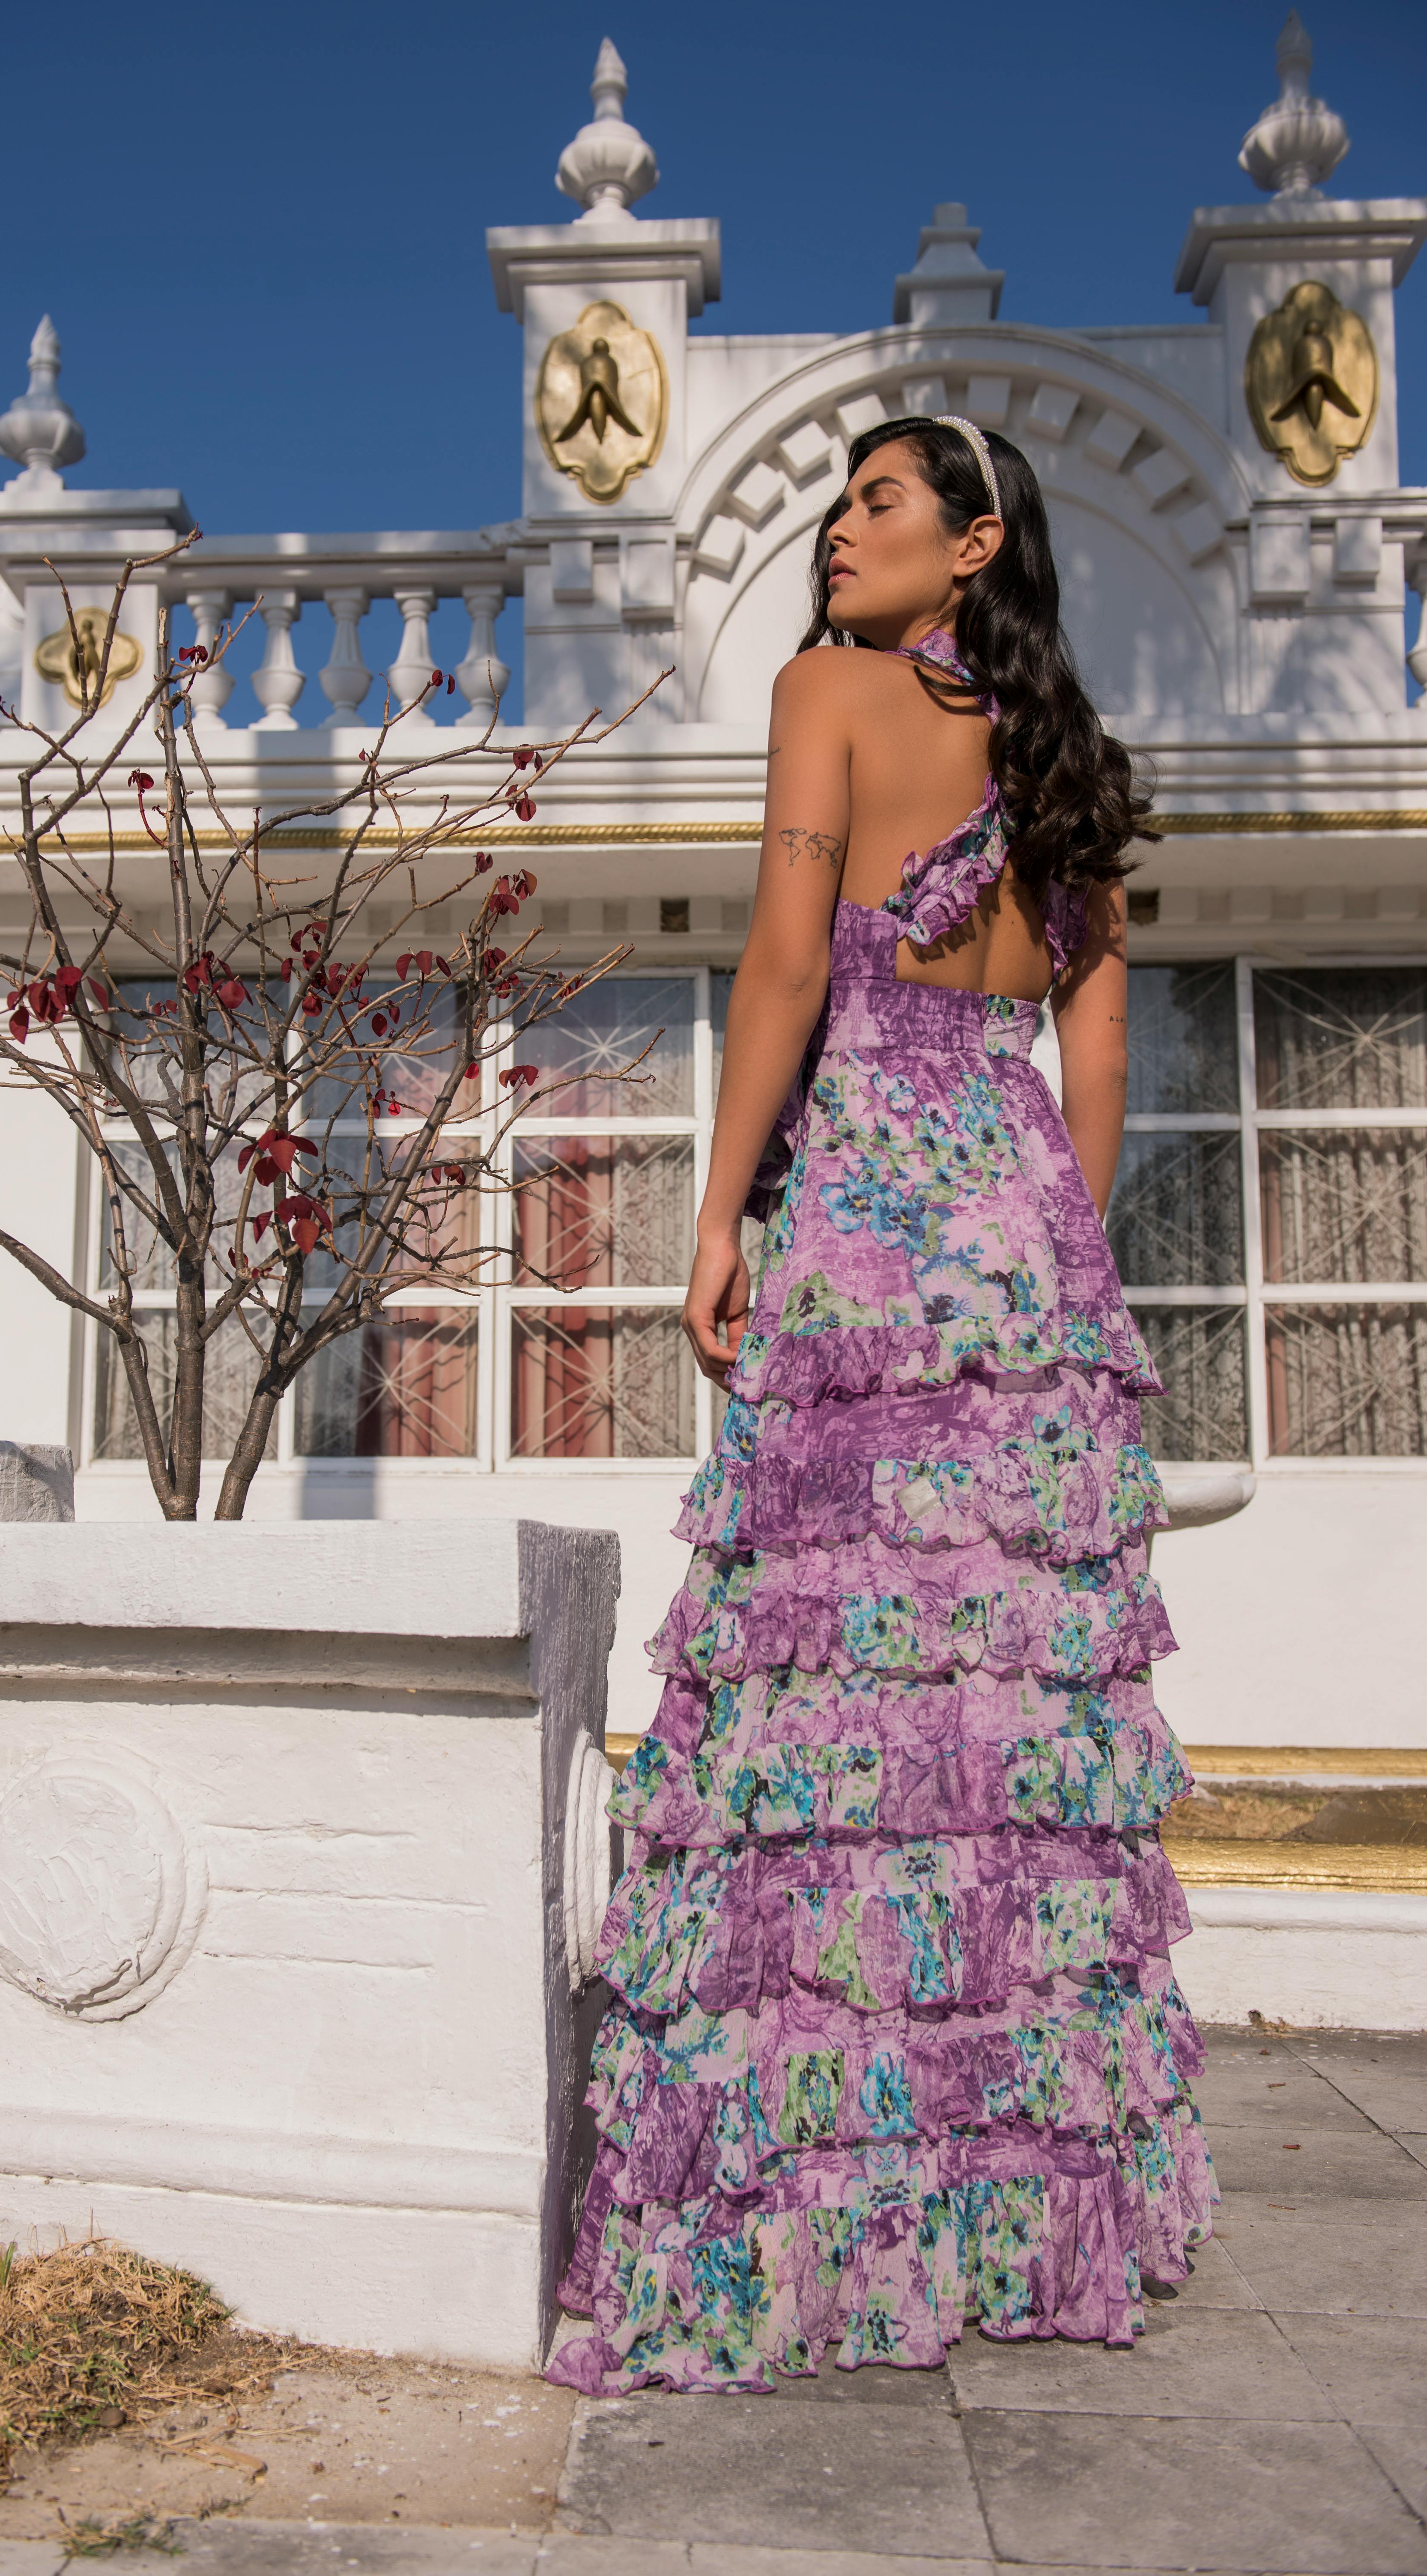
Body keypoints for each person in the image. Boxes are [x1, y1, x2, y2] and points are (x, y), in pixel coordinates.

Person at [547, 415, 1214, 2394]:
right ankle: (1004, 2206)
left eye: (878, 504)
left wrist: (708, 1216)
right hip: (1015, 1231)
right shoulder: (1071, 772)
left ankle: (822, 2205)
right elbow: (1088, 1057)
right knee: (992, 1729)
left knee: (830, 1699)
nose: (840, 535)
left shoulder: (826, 691)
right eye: (837, 504)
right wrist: (1055, 1277)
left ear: (973, 542)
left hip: (862, 1213)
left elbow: (779, 964)